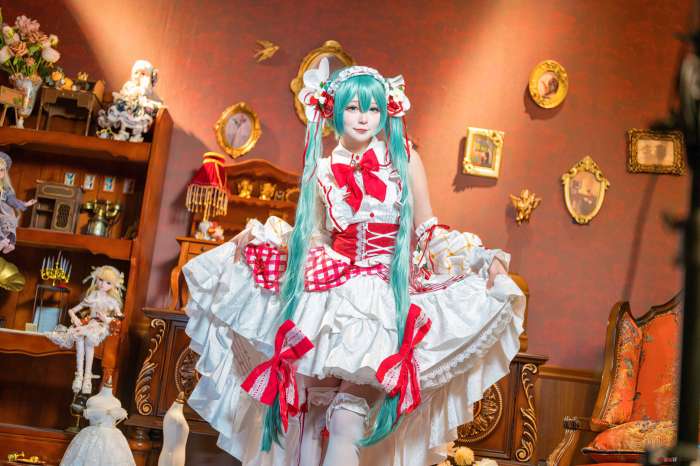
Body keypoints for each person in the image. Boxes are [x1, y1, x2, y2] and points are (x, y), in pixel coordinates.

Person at [183, 58, 525, 466]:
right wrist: (262, 238)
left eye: (373, 108)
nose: (364, 118)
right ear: (334, 111)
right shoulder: (324, 169)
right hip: (329, 297)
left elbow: (426, 228)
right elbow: (313, 236)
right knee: (310, 416)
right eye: (353, 108)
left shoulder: (404, 159)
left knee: (347, 417)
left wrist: (482, 260)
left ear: (386, 111)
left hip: (382, 300)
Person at [47, 265, 124, 394]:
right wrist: (75, 318)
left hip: (101, 326)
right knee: (79, 336)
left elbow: (119, 318)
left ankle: (87, 378)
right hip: (90, 324)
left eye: (108, 283)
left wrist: (106, 319)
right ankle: (79, 376)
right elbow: (72, 310)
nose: (102, 284)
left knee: (88, 340)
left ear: (112, 285)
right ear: (96, 279)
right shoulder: (93, 296)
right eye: (100, 280)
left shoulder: (112, 301)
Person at [0, 152, 37, 254]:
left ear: (4, 173)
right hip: (4, 212)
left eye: (1, 170)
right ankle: (9, 242)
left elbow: (12, 201)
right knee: (8, 224)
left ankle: (7, 242)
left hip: (4, 211)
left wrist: (25, 204)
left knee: (8, 222)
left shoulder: (5, 189)